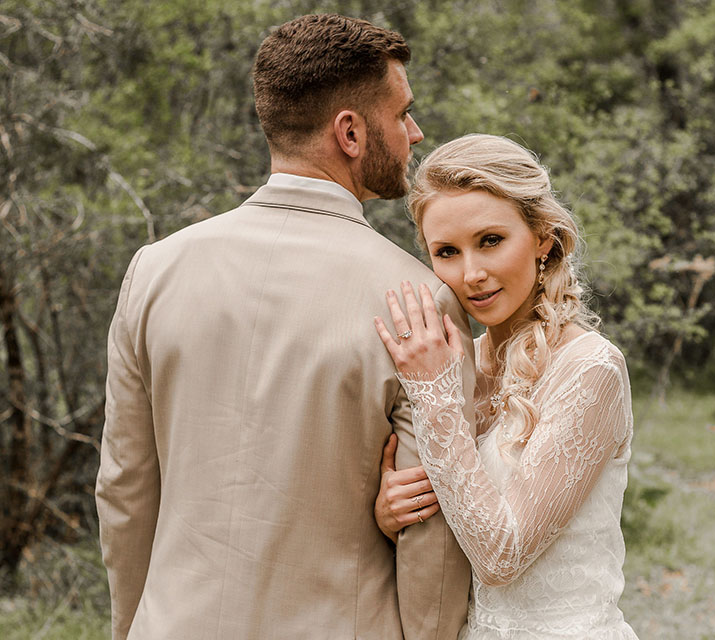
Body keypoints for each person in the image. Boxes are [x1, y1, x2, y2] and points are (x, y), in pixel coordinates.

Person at [95, 14, 476, 640]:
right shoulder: (419, 301)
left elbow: (124, 490)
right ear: (350, 132)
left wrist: (134, 628)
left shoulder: (154, 271)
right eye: (401, 113)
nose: (415, 131)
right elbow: (429, 527)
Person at [373, 134, 639, 639]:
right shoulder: (458, 365)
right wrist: (392, 517)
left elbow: (501, 555)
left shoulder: (590, 369)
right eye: (446, 252)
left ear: (543, 237)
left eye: (490, 240)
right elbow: (459, 518)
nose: (471, 274)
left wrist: (435, 398)